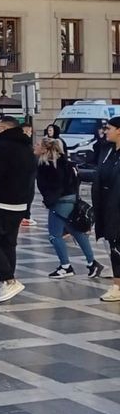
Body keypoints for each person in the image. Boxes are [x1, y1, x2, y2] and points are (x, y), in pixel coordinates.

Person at [0, 116, 38, 303]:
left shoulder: (2, 148)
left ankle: (8, 279)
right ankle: (5, 280)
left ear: (3, 129)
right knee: (8, 242)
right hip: (18, 203)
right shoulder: (26, 148)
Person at [35, 137, 103, 279]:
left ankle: (65, 266)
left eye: (37, 144)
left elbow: (54, 186)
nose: (34, 146)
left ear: (45, 149)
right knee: (76, 231)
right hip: (70, 199)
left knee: (55, 235)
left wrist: (49, 201)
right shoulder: (66, 162)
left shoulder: (48, 165)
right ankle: (92, 263)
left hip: (59, 202)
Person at [93, 117, 120, 302]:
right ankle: (117, 286)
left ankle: (117, 286)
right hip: (107, 206)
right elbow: (102, 174)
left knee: (117, 245)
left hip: (117, 205)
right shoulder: (108, 150)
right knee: (114, 245)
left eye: (109, 128)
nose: (105, 131)